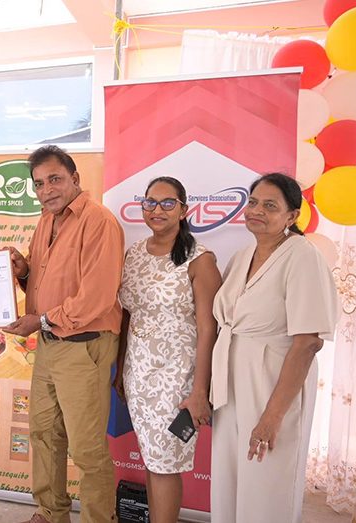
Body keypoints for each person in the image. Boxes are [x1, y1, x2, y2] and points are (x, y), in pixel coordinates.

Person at [4, 145, 124, 523]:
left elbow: (96, 298)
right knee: (43, 434)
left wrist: (38, 322)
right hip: (50, 345)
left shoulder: (99, 221)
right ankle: (51, 513)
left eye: (54, 179)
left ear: (75, 179)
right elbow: (44, 286)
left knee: (87, 450)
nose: (46, 189)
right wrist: (24, 273)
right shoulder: (46, 221)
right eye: (38, 183)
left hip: (83, 346)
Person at [210, 173, 339, 523]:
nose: (257, 211)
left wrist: (272, 417)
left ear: (292, 216)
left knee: (267, 484)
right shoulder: (241, 256)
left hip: (273, 382)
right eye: (253, 202)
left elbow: (308, 342)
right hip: (231, 385)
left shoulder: (302, 257)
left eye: (270, 206)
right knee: (230, 481)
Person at [113, 177, 221, 523]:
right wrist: (120, 369)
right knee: (154, 461)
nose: (156, 210)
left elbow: (209, 328)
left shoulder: (199, 259)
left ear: (183, 209)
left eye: (167, 203)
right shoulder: (134, 254)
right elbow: (127, 315)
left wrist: (200, 390)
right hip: (139, 375)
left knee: (164, 464)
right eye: (150, 203)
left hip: (177, 380)